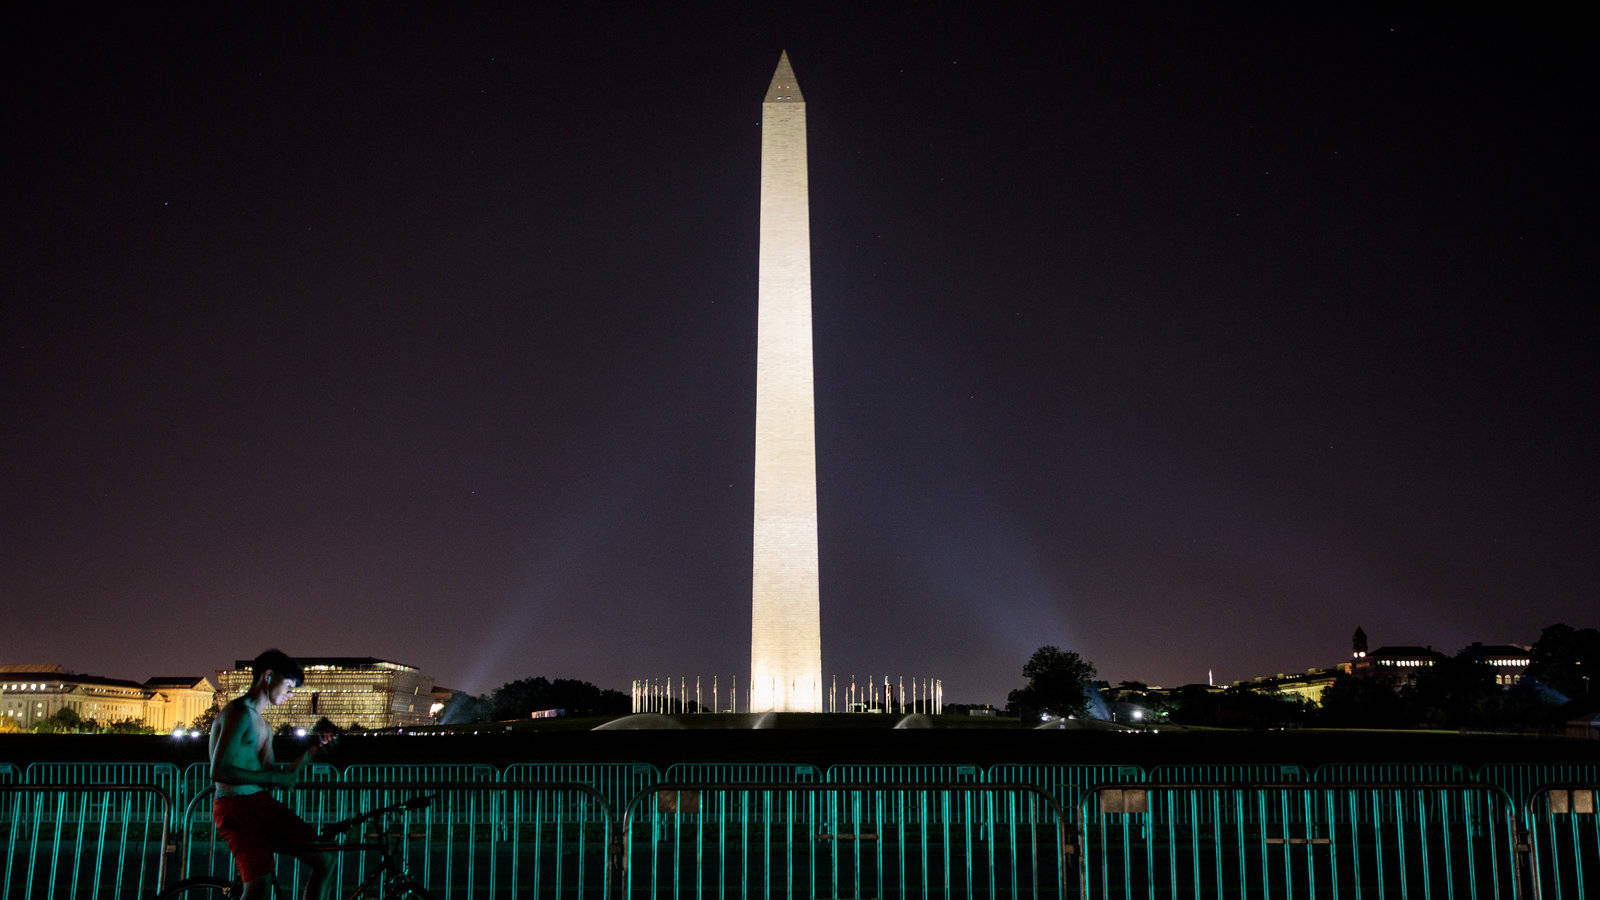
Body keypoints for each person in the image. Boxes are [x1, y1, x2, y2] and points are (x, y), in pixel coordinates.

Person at [209, 649, 334, 899]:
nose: (291, 693)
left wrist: (311, 752)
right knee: (258, 886)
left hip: (260, 805)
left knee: (324, 858)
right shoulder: (238, 713)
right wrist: (276, 778)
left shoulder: (264, 725)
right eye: (288, 685)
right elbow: (219, 770)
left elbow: (271, 773)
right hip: (236, 809)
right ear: (268, 676)